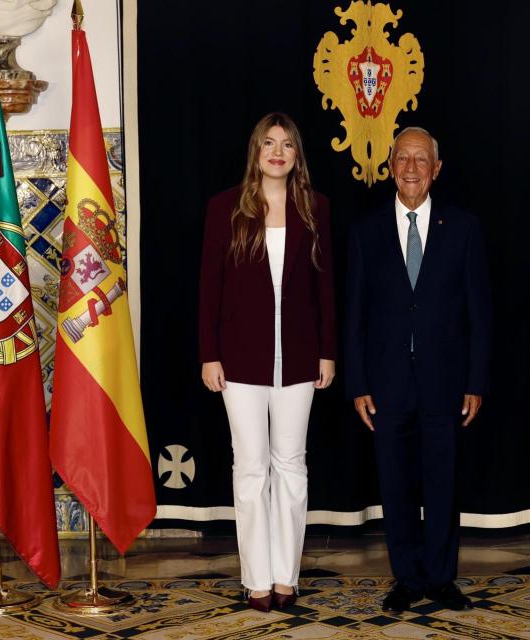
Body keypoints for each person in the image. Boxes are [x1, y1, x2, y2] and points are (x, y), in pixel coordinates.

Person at [345, 126, 492, 613]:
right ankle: (407, 578)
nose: (411, 169)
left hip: (446, 382)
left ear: (437, 169)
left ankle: (442, 578)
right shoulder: (366, 231)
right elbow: (355, 315)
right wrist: (358, 383)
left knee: (443, 481)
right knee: (395, 482)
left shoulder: (464, 227)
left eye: (421, 160)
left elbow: (479, 313)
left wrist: (476, 381)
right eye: (402, 159)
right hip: (385, 384)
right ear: (390, 167)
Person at [199, 113, 336, 613]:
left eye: (287, 145)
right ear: (256, 151)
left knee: (292, 468)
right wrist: (209, 355)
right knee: (251, 469)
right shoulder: (224, 209)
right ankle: (257, 580)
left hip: (300, 360)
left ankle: (286, 577)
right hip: (238, 362)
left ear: (297, 156)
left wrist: (328, 351)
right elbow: (208, 289)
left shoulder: (315, 208)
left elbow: (326, 288)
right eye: (269, 143)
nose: (278, 152)